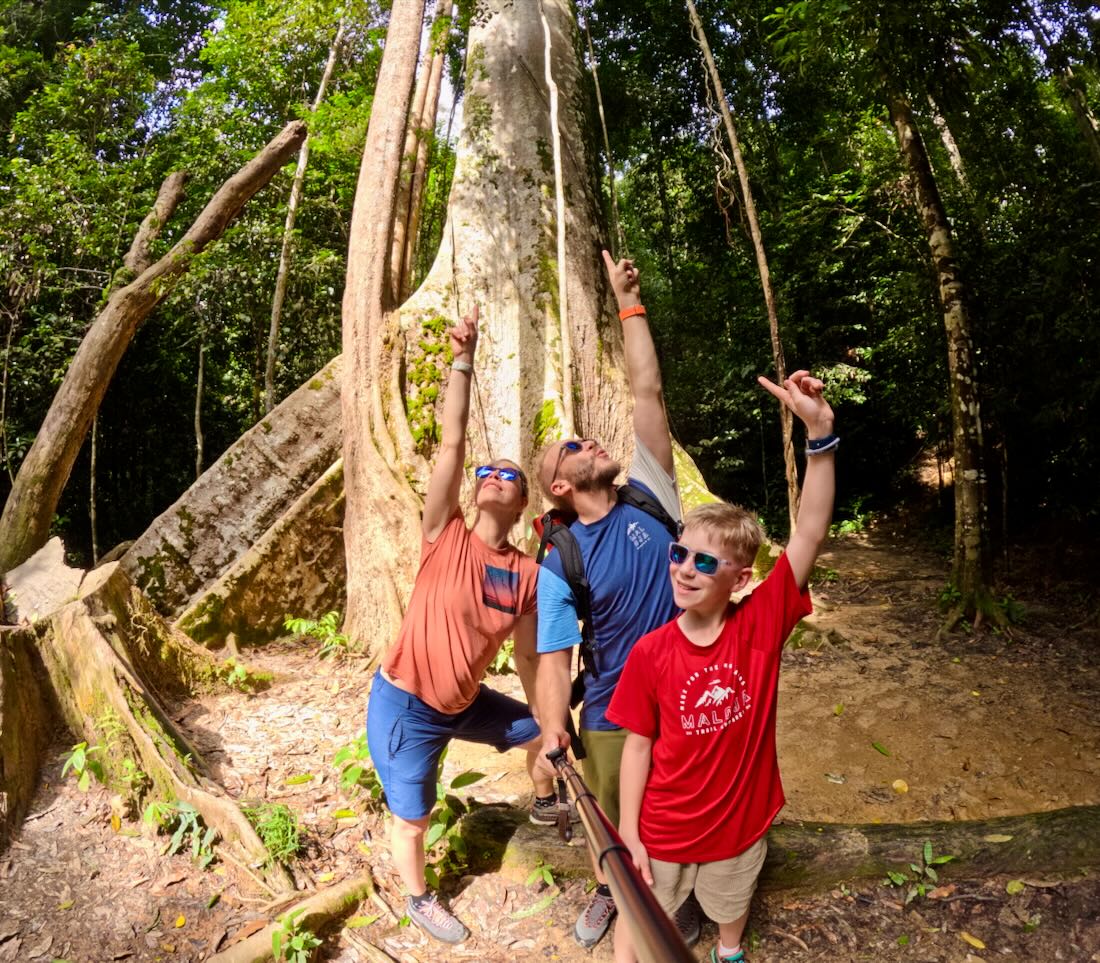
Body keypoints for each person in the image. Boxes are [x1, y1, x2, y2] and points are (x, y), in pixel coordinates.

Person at [606, 371, 837, 963]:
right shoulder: (651, 652)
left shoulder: (758, 626)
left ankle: (728, 952)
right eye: (678, 552)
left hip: (739, 822)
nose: (684, 568)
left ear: (742, 578)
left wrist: (820, 435)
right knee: (641, 913)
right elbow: (636, 748)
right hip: (663, 825)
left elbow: (809, 530)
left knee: (731, 903)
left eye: (704, 562)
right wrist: (629, 832)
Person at [366, 306, 553, 945]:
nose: (497, 477)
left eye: (511, 476)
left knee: (547, 735)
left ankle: (548, 805)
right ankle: (419, 897)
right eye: (488, 473)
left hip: (467, 703)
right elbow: (450, 441)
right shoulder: (442, 534)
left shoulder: (528, 574)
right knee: (412, 819)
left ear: (525, 502)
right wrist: (463, 359)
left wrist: (551, 720)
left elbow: (531, 660)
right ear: (474, 492)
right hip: (408, 704)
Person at [535, 251, 697, 949]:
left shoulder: (651, 496)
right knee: (612, 812)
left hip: (690, 688)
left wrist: (629, 302)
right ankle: (611, 890)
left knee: (682, 805)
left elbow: (647, 394)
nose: (588, 440)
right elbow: (552, 656)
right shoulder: (561, 557)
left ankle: (683, 895)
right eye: (572, 446)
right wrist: (551, 727)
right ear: (559, 486)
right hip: (608, 706)